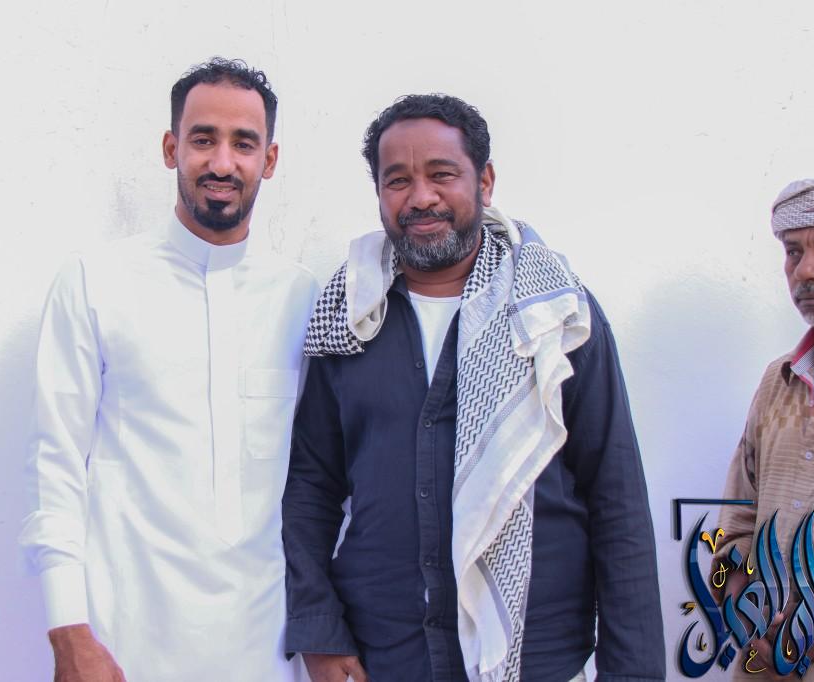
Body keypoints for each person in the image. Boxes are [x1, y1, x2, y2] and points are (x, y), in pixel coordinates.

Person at [282, 94, 664, 682]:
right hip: (385, 657)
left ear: (484, 181)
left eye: (442, 174)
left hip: (538, 660)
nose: (421, 198)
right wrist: (319, 629)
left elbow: (617, 499)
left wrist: (631, 672)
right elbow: (311, 487)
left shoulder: (556, 314)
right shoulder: (349, 315)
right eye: (398, 180)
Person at [19, 58, 318, 681]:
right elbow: (56, 462)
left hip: (267, 649)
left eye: (244, 143)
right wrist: (67, 630)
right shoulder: (95, 282)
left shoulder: (304, 300)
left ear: (269, 160)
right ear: (169, 148)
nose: (222, 163)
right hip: (124, 643)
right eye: (203, 138)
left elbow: (322, 485)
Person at [716, 178, 814, 679]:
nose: (806, 270)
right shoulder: (776, 380)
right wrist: (742, 603)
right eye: (793, 252)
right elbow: (739, 514)